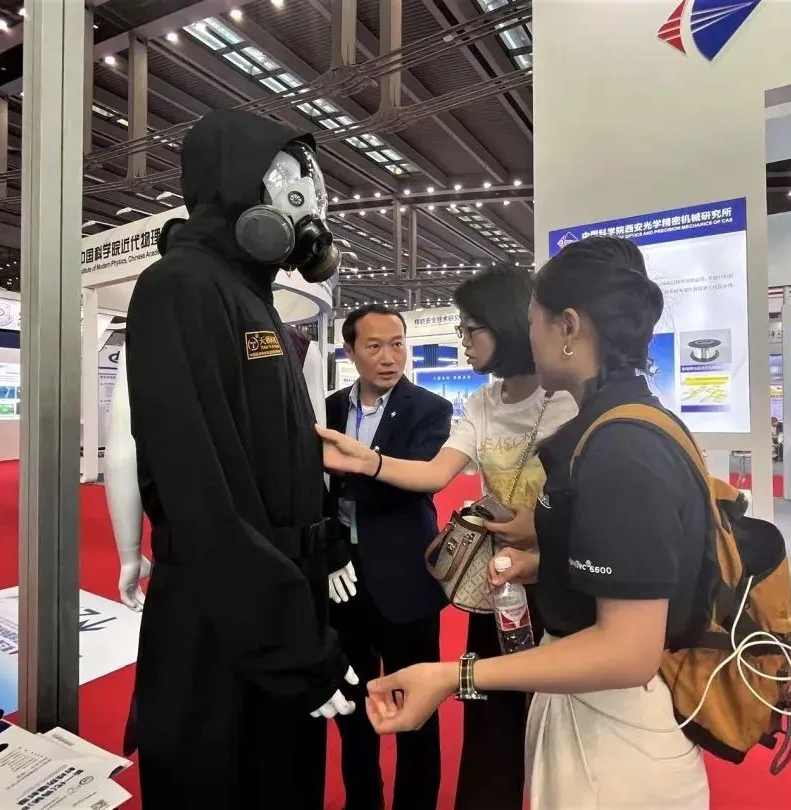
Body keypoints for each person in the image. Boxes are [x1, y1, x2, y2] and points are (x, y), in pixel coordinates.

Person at [360, 237, 712, 809]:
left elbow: (627, 651)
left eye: (533, 322)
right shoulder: (615, 427)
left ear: (567, 327)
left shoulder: (620, 446)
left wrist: (455, 677)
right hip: (593, 711)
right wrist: (539, 564)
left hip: (614, 735)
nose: (529, 338)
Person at [123, 109, 356, 808]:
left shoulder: (251, 300)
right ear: (237, 186)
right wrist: (293, 648)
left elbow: (279, 449)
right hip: (228, 627)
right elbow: (202, 494)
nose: (309, 208)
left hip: (272, 608)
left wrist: (324, 544)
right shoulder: (180, 287)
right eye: (292, 187)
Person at [317, 266, 578, 810]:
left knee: (563, 726)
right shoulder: (480, 403)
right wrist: (370, 462)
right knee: (488, 723)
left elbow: (599, 507)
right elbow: (436, 473)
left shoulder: (572, 402)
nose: (462, 341)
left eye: (470, 329)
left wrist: (542, 528)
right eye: (375, 345)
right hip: (494, 588)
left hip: (561, 585)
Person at [324, 304, 452, 810]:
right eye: (374, 346)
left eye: (397, 344)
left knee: (417, 709)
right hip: (342, 578)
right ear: (350, 350)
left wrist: (349, 468)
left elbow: (415, 482)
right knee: (352, 706)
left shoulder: (429, 409)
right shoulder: (331, 408)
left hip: (405, 578)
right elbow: (315, 489)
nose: (389, 357)